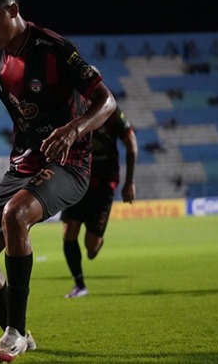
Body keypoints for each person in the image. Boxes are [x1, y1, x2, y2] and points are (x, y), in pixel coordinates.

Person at [0, 0, 115, 362]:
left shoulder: (54, 50)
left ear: (13, 11)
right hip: (25, 164)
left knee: (15, 215)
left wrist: (74, 129)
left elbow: (106, 103)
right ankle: (20, 331)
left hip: (70, 164)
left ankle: (15, 333)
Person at [61, 105, 137, 298]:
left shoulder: (111, 113)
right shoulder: (70, 108)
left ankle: (97, 243)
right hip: (76, 178)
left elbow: (131, 143)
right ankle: (79, 285)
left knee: (91, 247)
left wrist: (129, 182)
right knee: (69, 230)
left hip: (103, 184)